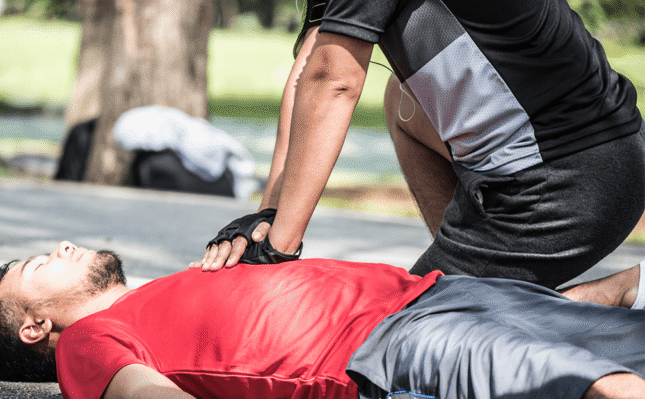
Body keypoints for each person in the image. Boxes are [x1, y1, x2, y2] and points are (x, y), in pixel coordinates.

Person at [0, 241, 645, 399]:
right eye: (41, 265)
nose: (60, 246)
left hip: (440, 293)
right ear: (36, 327)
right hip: (388, 353)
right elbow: (136, 394)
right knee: (592, 394)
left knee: (627, 302)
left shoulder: (170, 286)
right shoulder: (91, 341)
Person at [194, 0, 645, 306]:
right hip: (595, 157)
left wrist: (278, 251)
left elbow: (335, 80)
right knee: (401, 101)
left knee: (396, 339)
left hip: (567, 183)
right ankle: (465, 275)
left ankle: (613, 294)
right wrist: (268, 217)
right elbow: (312, 69)